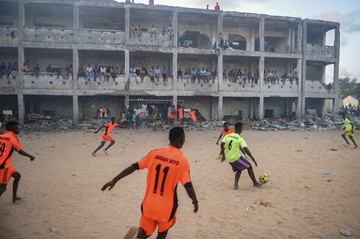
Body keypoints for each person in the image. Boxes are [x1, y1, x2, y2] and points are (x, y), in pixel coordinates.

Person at [102, 127, 199, 239]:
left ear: (169, 138)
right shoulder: (182, 162)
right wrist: (195, 201)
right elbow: (189, 187)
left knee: (142, 233)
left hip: (149, 204)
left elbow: (134, 167)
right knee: (162, 235)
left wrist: (114, 180)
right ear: (181, 140)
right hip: (166, 208)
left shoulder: (154, 154)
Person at [0, 121, 35, 203]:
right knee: (3, 187)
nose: (18, 129)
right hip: (4, 166)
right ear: (11, 129)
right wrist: (30, 156)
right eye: (16, 127)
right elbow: (19, 151)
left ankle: (14, 198)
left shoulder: (2, 136)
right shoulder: (13, 138)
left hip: (4, 164)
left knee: (17, 176)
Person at [220, 122, 262, 190]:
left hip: (228, 158)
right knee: (249, 166)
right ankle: (255, 183)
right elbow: (245, 149)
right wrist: (253, 159)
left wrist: (223, 155)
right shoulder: (240, 138)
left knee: (239, 169)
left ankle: (235, 185)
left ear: (235, 128)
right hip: (235, 158)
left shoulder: (228, 136)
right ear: (241, 129)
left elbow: (222, 144)